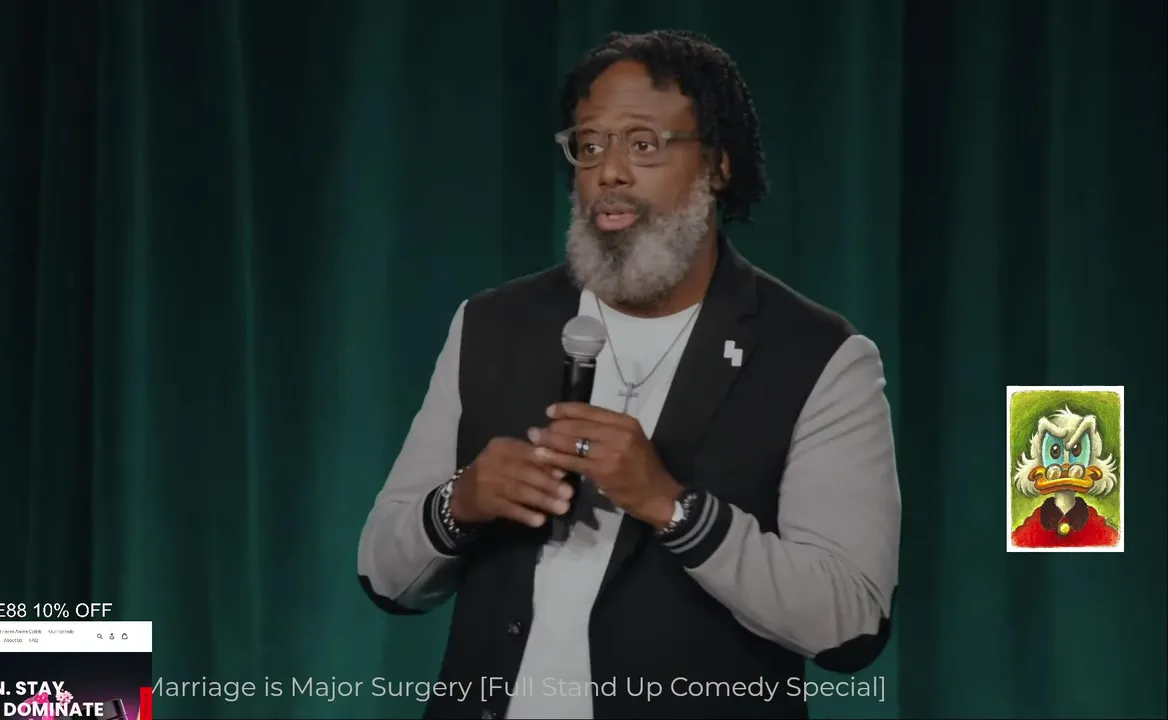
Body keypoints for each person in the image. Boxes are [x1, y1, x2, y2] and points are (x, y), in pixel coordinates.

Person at [358, 29, 901, 720]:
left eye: (644, 144)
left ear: (718, 165)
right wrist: (458, 502)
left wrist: (673, 507)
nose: (609, 172)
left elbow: (849, 624)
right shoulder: (492, 325)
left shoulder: (819, 357)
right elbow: (384, 576)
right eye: (589, 145)